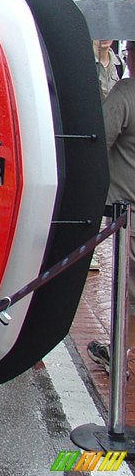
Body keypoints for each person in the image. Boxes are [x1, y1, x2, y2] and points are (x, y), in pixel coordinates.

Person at [89, 39, 135, 368]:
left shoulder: (125, 94)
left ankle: (122, 357)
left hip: (127, 210)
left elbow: (98, 140)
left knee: (127, 288)